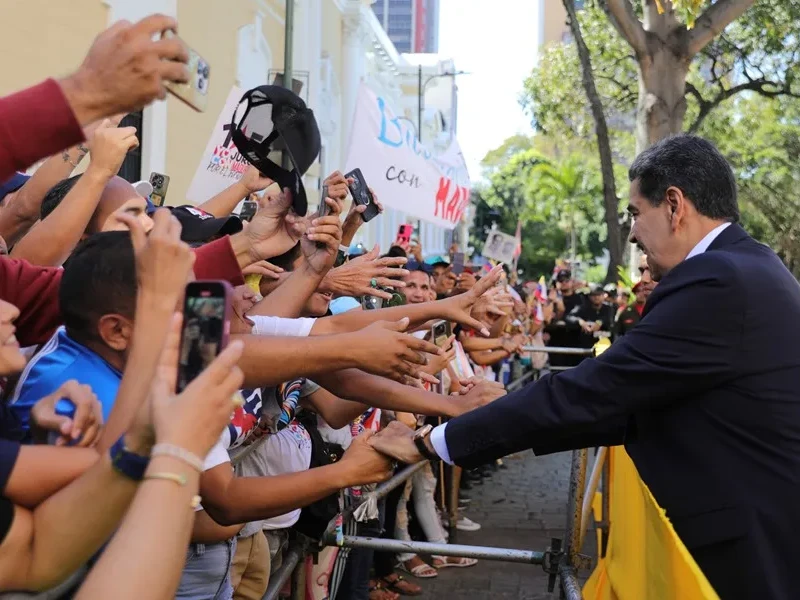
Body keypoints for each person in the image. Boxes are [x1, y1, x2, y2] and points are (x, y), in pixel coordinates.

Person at [370, 134, 800, 600]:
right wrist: (506, 408)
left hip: (744, 553)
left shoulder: (719, 279)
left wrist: (432, 440)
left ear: (674, 205)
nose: (632, 233)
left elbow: (599, 391)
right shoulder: (751, 265)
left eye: (636, 213)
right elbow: (628, 406)